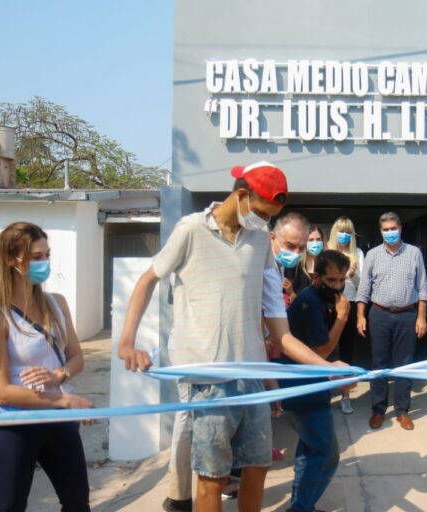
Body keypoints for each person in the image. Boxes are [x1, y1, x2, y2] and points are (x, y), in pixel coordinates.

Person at [117, 161, 346, 512]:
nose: (263, 222)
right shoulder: (191, 229)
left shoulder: (259, 243)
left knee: (257, 470)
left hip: (250, 379)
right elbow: (148, 280)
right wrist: (127, 342)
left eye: (271, 217)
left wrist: (326, 368)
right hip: (207, 380)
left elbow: (281, 335)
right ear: (241, 195)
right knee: (212, 480)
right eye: (261, 212)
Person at [0, 222, 92, 512]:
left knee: (77, 503)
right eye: (36, 257)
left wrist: (59, 375)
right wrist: (65, 399)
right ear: (12, 260)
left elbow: (76, 357)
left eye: (47, 255)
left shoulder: (57, 303)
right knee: (9, 506)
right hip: (10, 424)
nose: (45, 263)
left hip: (56, 420)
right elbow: (1, 391)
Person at [277, 250, 350, 512]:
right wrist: (342, 318)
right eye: (332, 281)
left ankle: (301, 505)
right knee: (325, 454)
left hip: (309, 386)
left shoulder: (319, 298)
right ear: (316, 277)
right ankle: (300, 508)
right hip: (303, 389)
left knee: (310, 452)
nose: (338, 287)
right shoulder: (309, 302)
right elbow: (320, 354)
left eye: (342, 280)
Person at [356, 212, 427, 431]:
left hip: (407, 315)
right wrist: (360, 315)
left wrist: (422, 316)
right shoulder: (373, 254)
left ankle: (402, 411)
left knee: (404, 364)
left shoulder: (414, 253)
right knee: (379, 364)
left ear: (400, 228)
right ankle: (378, 410)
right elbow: (364, 288)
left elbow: (423, 287)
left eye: (393, 228)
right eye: (385, 229)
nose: (390, 233)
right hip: (379, 314)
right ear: (380, 231)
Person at [327, 216, 363, 414]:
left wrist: (354, 274)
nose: (344, 235)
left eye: (348, 232)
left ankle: (345, 396)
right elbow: (327, 283)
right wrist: (345, 275)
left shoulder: (357, 253)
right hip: (330, 308)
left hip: (349, 306)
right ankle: (325, 393)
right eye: (341, 231)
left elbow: (362, 284)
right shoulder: (328, 252)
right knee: (328, 350)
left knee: (347, 352)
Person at [269, 213, 310, 307]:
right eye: (290, 246)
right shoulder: (259, 266)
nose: (296, 253)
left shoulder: (285, 267)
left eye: (301, 248)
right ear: (272, 238)